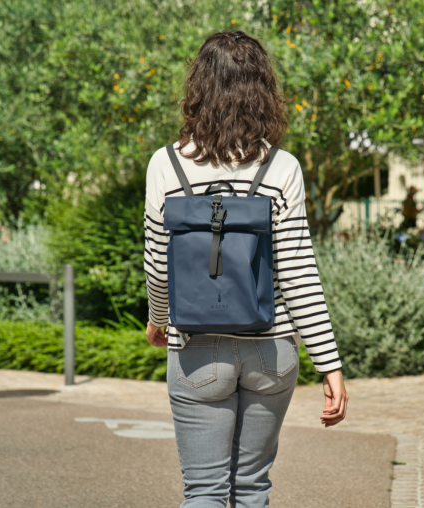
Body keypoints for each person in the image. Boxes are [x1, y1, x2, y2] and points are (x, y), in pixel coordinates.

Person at [143, 31, 348, 507]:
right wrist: (329, 363)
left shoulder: (166, 165)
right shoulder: (281, 168)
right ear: (263, 91)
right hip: (270, 352)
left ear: (197, 89)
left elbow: (157, 264)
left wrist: (159, 319)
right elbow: (298, 272)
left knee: (205, 492)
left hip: (196, 347)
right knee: (253, 488)